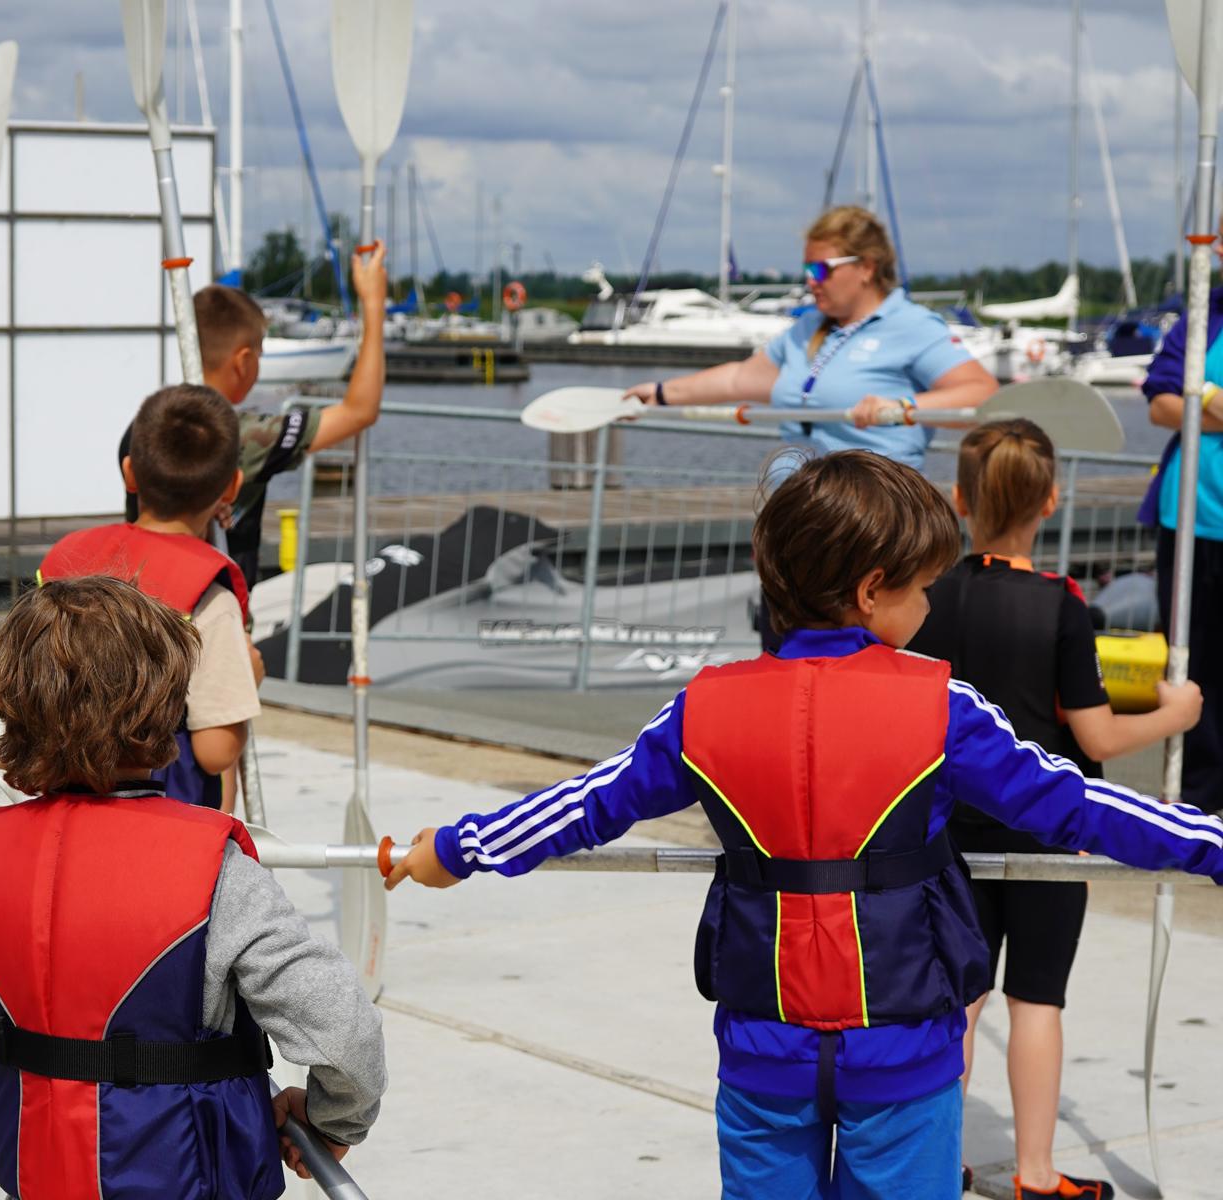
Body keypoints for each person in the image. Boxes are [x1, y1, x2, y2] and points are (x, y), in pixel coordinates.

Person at [384, 449, 1223, 1200]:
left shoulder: (704, 707)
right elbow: (1077, 805)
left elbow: (587, 803)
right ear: (870, 591)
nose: (931, 603)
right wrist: (1210, 844)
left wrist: (456, 849)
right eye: (923, 586)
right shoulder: (942, 706)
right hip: (903, 1050)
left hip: (763, 1045)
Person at [0, 575, 385, 1197]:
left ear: (10, 705)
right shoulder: (210, 867)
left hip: (38, 1170)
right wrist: (334, 1120)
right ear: (166, 706)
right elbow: (345, 1034)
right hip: (187, 1176)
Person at [907, 420, 1201, 1199]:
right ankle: (1036, 1173)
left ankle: (937, 1158)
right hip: (1045, 832)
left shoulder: (928, 598)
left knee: (958, 1002)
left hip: (948, 831)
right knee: (1036, 996)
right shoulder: (1064, 605)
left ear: (960, 499)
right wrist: (1176, 714)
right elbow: (1095, 731)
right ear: (1051, 498)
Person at [624, 206, 998, 473]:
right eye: (807, 269)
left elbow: (981, 395)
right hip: (800, 509)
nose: (811, 281)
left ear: (866, 267)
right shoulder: (808, 329)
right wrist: (657, 394)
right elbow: (737, 380)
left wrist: (899, 407)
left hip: (875, 514)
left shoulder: (912, 326)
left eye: (821, 269)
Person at [116, 244, 389, 587]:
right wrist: (374, 304)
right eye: (259, 354)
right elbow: (359, 411)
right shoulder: (236, 436)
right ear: (243, 361)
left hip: (144, 594)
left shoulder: (145, 426)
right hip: (218, 608)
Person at [44, 384, 261, 811]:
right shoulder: (208, 594)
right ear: (232, 487)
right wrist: (247, 679)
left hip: (61, 800)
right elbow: (216, 752)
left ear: (129, 473)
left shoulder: (63, 561)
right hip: (162, 815)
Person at [1141, 247, 1223, 813]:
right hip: (1190, 520)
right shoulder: (1204, 315)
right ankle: (1200, 798)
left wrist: (1204, 401)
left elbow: (1184, 402)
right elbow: (1161, 402)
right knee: (1192, 664)